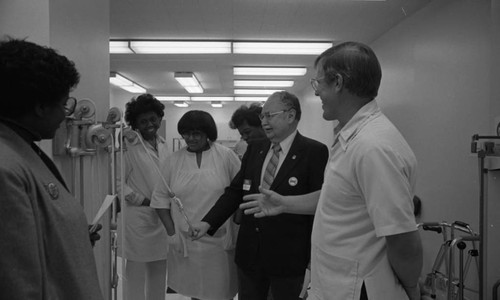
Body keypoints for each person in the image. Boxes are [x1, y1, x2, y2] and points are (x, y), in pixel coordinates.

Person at [241, 42, 423, 300]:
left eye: (318, 84)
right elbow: (341, 197)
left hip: (358, 289)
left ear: (337, 82)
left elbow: (402, 237)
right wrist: (285, 203)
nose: (317, 94)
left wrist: (412, 289)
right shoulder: (352, 137)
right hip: (336, 283)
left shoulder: (372, 147)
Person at [190, 91, 329, 300]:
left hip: (289, 258)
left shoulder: (314, 151)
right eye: (262, 117)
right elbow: (236, 191)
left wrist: (312, 259)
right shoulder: (256, 148)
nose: (264, 122)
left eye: (269, 116)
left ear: (290, 116)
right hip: (250, 255)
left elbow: (318, 207)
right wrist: (208, 222)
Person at [0, 38, 104, 299]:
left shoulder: (24, 148)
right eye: (64, 104)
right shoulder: (6, 168)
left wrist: (73, 237)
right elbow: (18, 283)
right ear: (40, 106)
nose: (65, 115)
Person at [151, 110, 241, 300]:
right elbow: (160, 200)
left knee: (220, 292)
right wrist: (171, 233)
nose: (190, 138)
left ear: (208, 133)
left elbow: (239, 193)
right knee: (195, 293)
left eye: (196, 134)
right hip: (186, 242)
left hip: (219, 243)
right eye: (186, 133)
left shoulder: (226, 157)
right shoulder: (172, 161)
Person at [118, 93, 169, 300]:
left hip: (162, 218)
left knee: (159, 273)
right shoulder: (128, 146)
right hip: (138, 219)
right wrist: (143, 200)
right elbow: (117, 182)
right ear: (135, 123)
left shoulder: (164, 144)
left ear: (159, 118)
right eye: (143, 121)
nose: (150, 124)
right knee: (135, 277)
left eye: (153, 119)